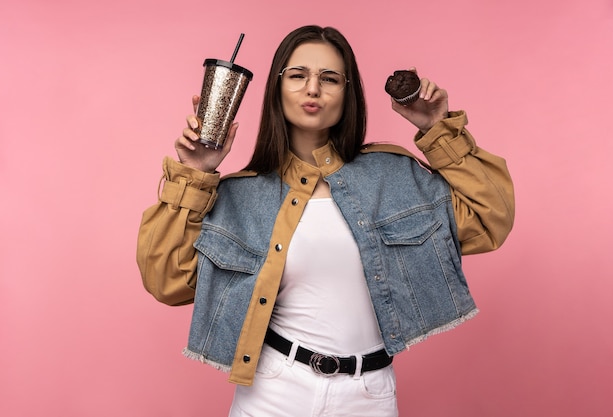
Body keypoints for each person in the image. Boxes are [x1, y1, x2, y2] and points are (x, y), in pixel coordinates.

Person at [137, 25, 514, 417]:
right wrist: (195, 174)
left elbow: (491, 217)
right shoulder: (239, 196)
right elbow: (167, 279)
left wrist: (437, 129)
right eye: (298, 75)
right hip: (272, 392)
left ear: (347, 93)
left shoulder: (393, 175)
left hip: (368, 394)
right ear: (277, 89)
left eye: (329, 78)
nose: (313, 89)